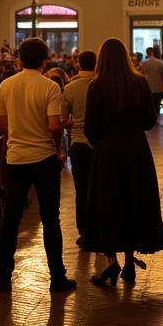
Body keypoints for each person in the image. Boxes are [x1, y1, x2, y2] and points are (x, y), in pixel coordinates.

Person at [82, 38, 163, 286]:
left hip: (107, 152)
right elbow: (149, 121)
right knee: (133, 202)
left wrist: (98, 140)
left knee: (108, 204)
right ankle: (130, 260)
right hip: (135, 152)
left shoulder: (96, 86)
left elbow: (91, 126)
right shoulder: (139, 83)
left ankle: (111, 262)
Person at [0, 37, 75, 294]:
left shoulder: (6, 85)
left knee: (11, 220)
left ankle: (4, 278)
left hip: (16, 159)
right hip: (43, 158)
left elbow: (2, 125)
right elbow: (54, 125)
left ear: (19, 59)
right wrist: (58, 147)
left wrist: (17, 136)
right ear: (45, 60)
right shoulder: (50, 86)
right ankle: (57, 277)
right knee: (51, 219)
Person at [61, 50, 96, 245]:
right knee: (100, 189)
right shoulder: (101, 86)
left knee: (81, 190)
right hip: (99, 145)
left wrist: (75, 123)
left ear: (78, 64)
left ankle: (83, 232)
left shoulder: (70, 88)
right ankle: (100, 230)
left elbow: (63, 120)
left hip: (79, 143)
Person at [140, 47, 163, 123]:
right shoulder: (160, 62)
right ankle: (157, 119)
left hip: (147, 87)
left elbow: (140, 75)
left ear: (147, 53)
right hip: (158, 87)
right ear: (153, 52)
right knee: (157, 104)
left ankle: (150, 120)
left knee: (149, 105)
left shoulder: (143, 63)